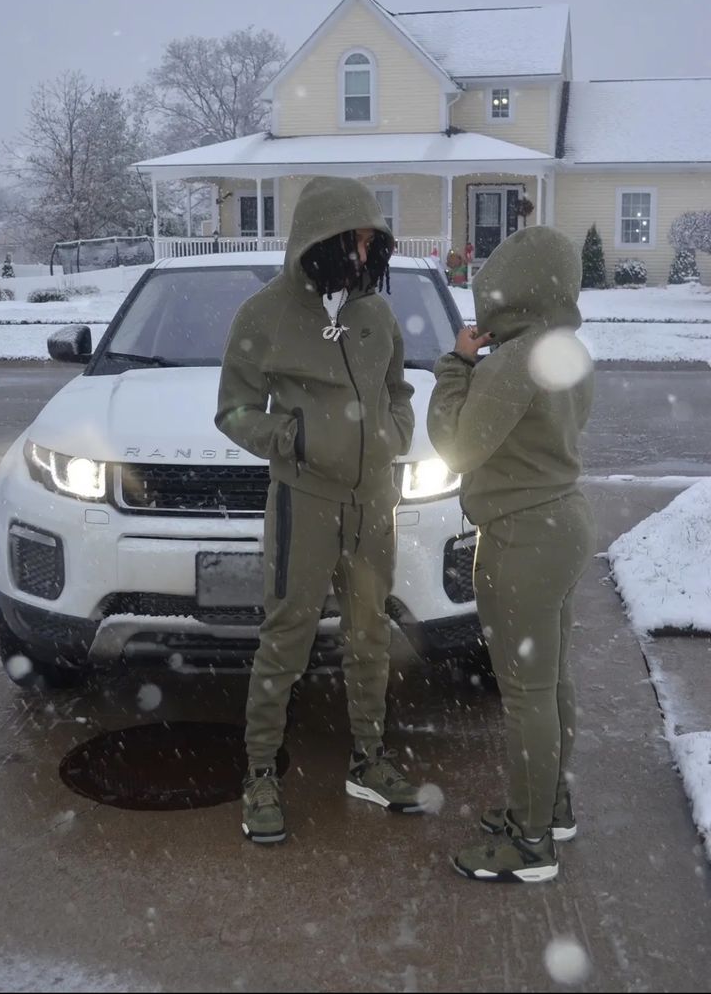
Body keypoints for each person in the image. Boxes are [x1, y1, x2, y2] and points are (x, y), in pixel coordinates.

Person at [217, 176, 425, 844]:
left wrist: (394, 432)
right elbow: (235, 410)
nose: (365, 251)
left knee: (370, 638)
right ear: (321, 239)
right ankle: (258, 775)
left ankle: (368, 760)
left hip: (373, 505)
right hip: (303, 504)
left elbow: (399, 388)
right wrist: (294, 439)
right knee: (286, 643)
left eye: (372, 239)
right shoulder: (265, 314)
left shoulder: (378, 314)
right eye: (354, 238)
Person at [427, 226, 596, 883]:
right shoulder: (567, 350)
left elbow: (455, 450)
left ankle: (530, 846)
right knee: (551, 682)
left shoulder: (510, 361)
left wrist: (455, 368)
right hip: (564, 523)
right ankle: (551, 811)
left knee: (525, 693)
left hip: (522, 537)